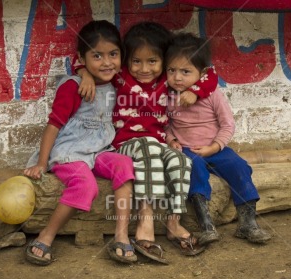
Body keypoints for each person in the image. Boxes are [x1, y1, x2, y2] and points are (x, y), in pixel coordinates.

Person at [75, 22, 218, 262]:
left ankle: (173, 222)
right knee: (149, 148)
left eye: (152, 61)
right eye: (136, 61)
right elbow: (79, 59)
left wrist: (196, 92)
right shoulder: (120, 77)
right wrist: (84, 74)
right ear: (127, 60)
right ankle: (146, 220)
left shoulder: (167, 78)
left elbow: (209, 73)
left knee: (180, 160)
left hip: (158, 142)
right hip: (126, 143)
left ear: (163, 61)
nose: (144, 69)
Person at [23, 20, 137, 265]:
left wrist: (86, 70)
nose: (107, 62)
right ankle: (47, 235)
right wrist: (42, 163)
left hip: (99, 150)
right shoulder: (72, 87)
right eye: (97, 56)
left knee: (125, 165)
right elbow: (53, 125)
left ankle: (121, 235)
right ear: (82, 58)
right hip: (70, 152)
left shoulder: (116, 82)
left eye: (113, 54)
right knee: (86, 186)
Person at [165, 32, 272, 244]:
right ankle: (207, 226)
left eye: (186, 71)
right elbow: (166, 124)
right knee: (193, 168)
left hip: (216, 148)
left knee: (239, 166)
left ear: (202, 73)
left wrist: (215, 147)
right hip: (188, 149)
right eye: (172, 70)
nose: (177, 77)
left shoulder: (212, 94)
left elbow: (227, 124)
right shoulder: (167, 96)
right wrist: (171, 140)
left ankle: (248, 223)